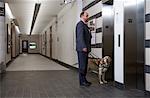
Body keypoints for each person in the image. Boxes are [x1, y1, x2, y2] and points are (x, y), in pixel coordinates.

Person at [76, 11, 92, 87]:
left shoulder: (85, 25)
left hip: (86, 49)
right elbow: (80, 37)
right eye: (86, 15)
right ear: (82, 16)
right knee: (82, 66)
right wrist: (83, 47)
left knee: (85, 65)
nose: (88, 17)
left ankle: (84, 80)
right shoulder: (80, 25)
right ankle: (82, 82)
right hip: (82, 49)